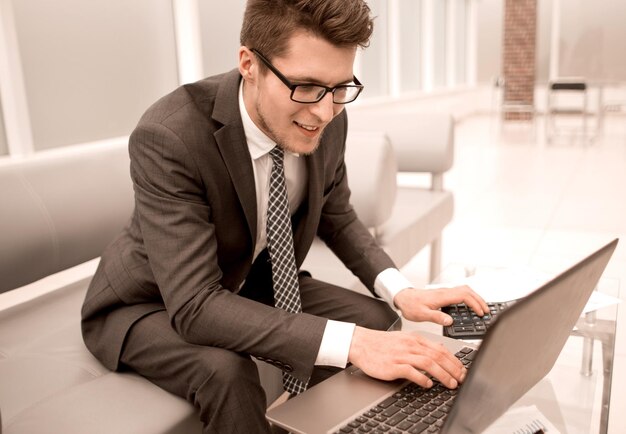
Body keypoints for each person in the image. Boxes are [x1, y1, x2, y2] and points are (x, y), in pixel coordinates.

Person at [81, 0, 488, 432]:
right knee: (227, 373)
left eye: (339, 89)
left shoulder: (330, 119)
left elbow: (338, 215)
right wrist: (351, 344)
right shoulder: (171, 136)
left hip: (248, 280)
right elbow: (195, 305)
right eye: (307, 86)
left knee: (375, 320)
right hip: (154, 300)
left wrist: (402, 291)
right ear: (249, 64)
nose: (324, 112)